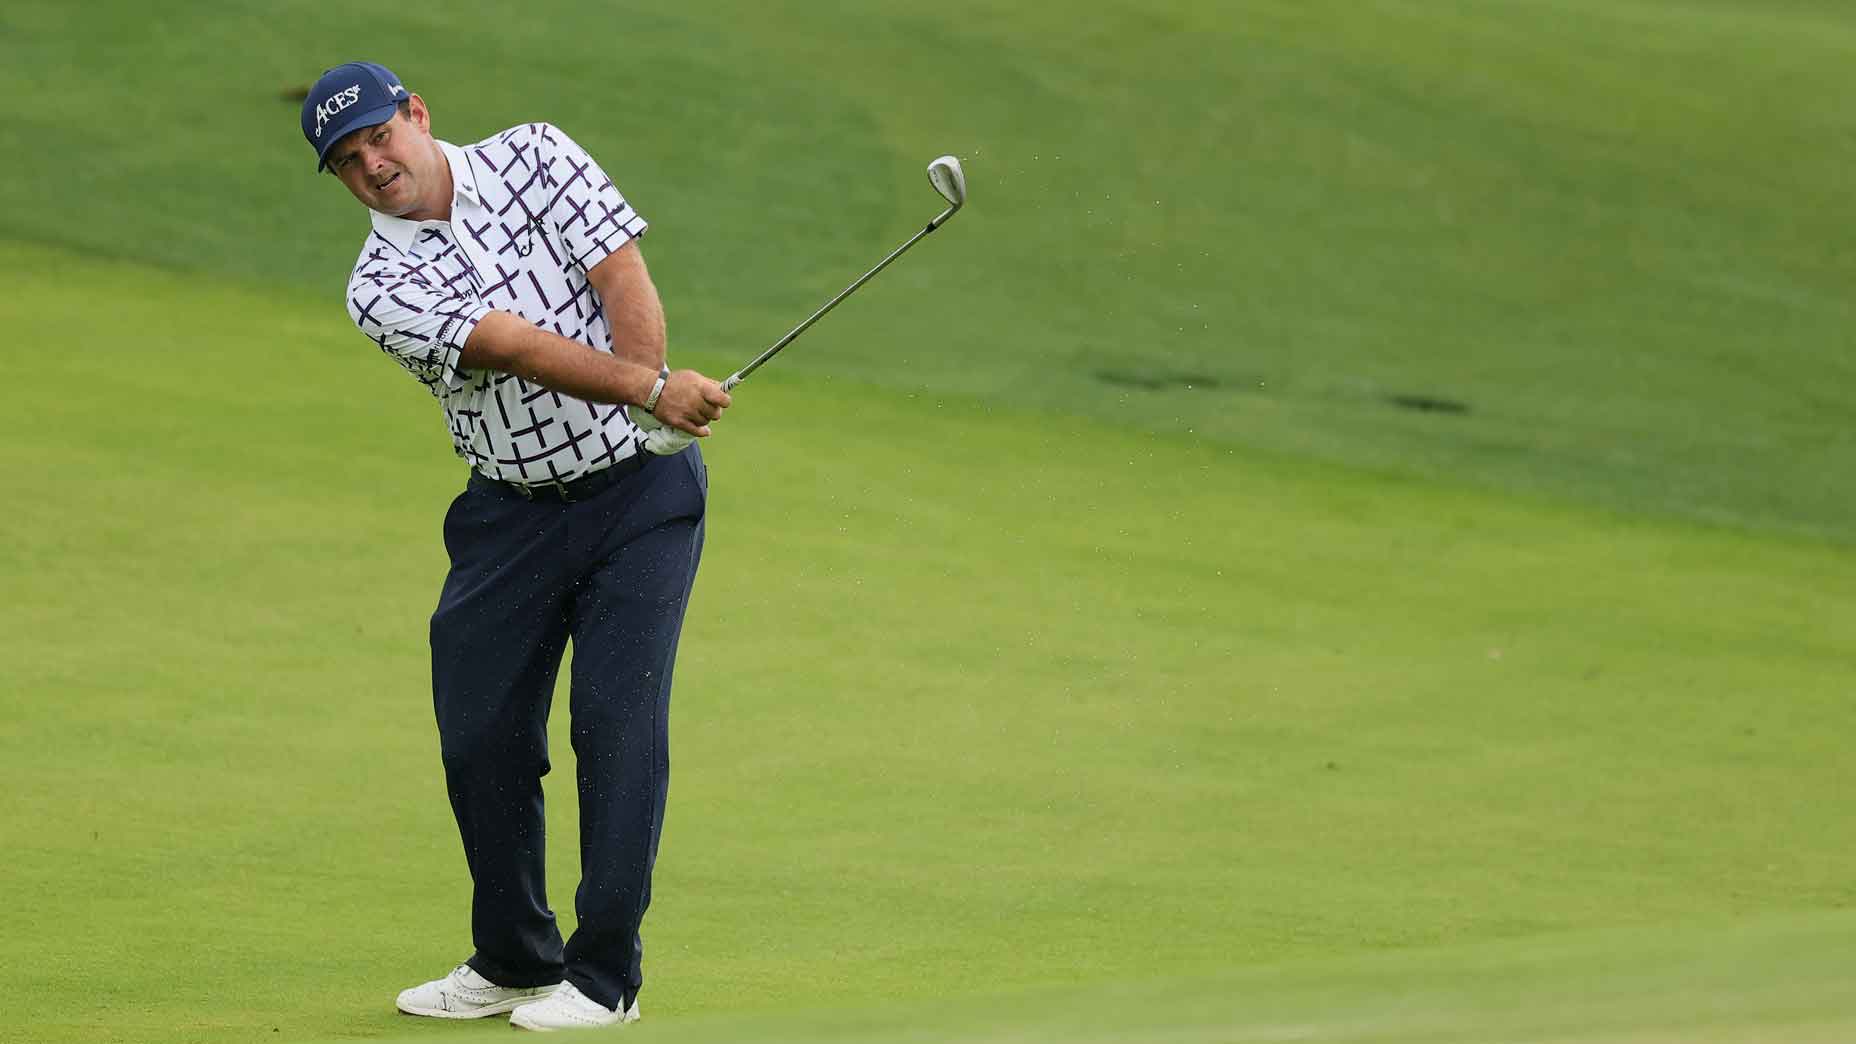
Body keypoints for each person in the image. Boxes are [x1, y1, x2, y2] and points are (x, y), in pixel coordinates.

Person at [298, 61, 730, 1032]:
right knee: (479, 736)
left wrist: (649, 390)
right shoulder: (379, 286)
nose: (373, 164)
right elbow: (508, 344)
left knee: (614, 727)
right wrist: (647, 391)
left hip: (641, 499)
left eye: (379, 136)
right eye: (348, 160)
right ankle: (512, 958)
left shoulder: (537, 153)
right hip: (509, 514)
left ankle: (605, 976)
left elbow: (620, 273)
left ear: (416, 114)